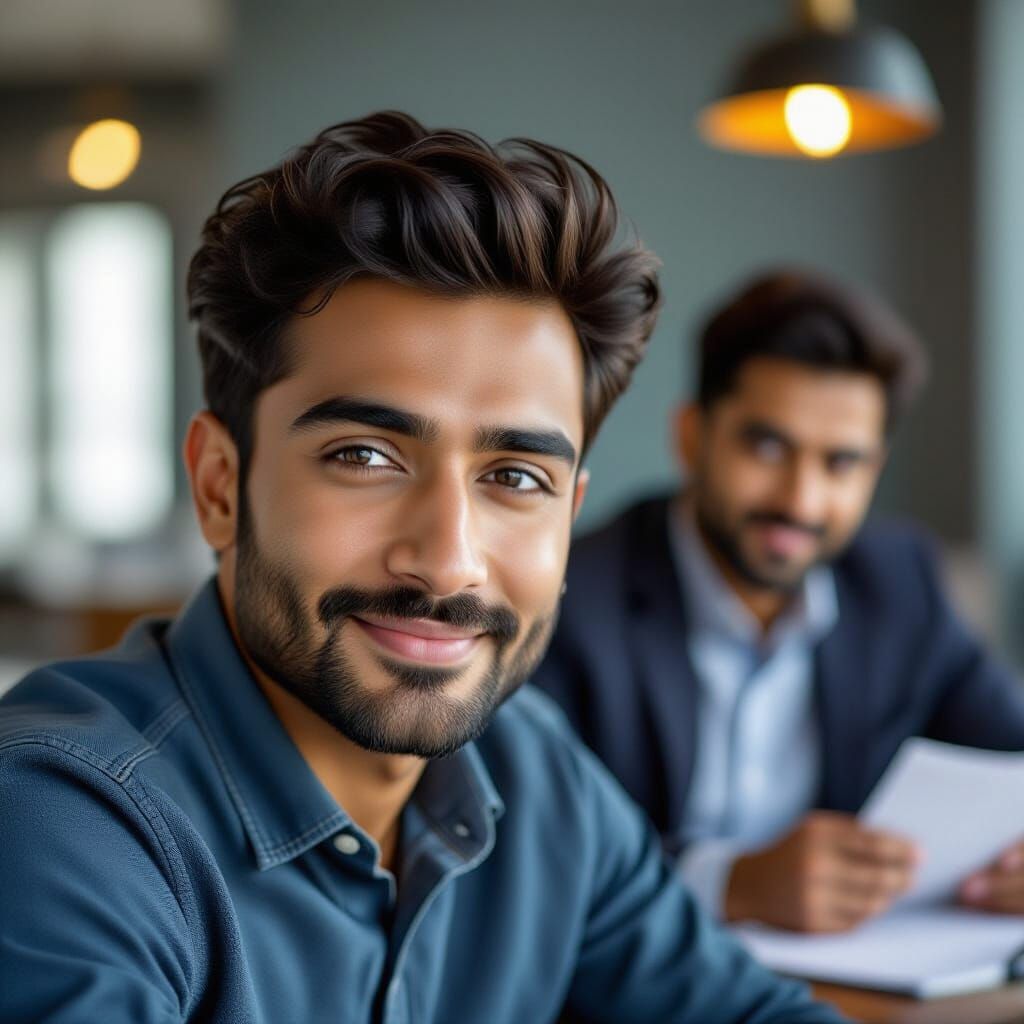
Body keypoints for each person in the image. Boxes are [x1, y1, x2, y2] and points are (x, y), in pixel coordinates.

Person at [0, 115, 843, 1023]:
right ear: (218, 485)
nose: (448, 561)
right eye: (365, 456)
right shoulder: (61, 819)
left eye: (517, 478)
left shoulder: (538, 781)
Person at [534, 269, 1024, 935]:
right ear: (691, 435)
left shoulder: (899, 579)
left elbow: (1008, 747)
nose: (801, 499)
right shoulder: (570, 593)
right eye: (767, 446)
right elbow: (538, 843)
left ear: (874, 469)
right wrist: (730, 882)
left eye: (841, 463)